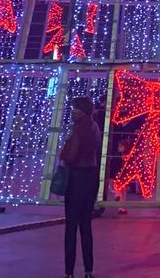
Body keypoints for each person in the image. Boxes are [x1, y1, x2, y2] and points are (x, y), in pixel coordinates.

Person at [60, 95, 101, 278]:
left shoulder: (78, 129)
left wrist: (65, 152)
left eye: (74, 108)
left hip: (77, 178)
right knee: (86, 226)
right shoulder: (95, 127)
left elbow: (70, 156)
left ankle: (69, 271)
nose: (71, 111)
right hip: (91, 177)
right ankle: (88, 269)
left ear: (81, 111)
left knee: (71, 227)